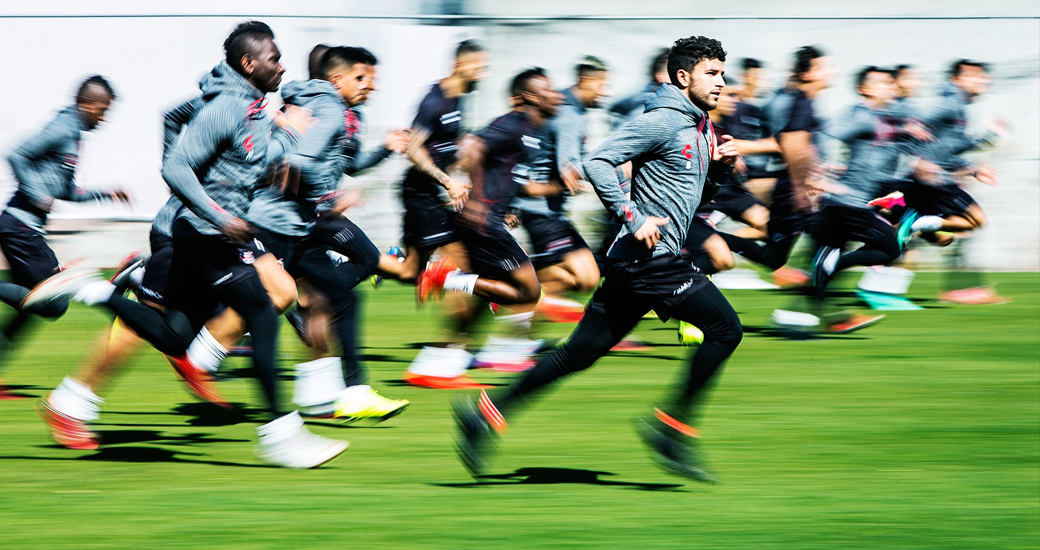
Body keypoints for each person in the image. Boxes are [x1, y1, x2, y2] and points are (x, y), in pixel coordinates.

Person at [29, 21, 347, 469]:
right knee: (253, 305)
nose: (283, 65)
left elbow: (246, 153)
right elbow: (178, 151)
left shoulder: (255, 104)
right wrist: (209, 205)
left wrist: (283, 141)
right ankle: (76, 400)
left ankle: (105, 298)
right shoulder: (224, 104)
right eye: (274, 58)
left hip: (221, 231)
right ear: (248, 63)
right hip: (194, 232)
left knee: (188, 326)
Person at [452, 36, 742, 483]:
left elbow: (696, 197)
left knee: (578, 354)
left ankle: (483, 416)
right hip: (652, 261)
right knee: (726, 329)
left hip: (637, 262)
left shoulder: (699, 127)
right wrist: (633, 214)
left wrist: (720, 169)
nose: (722, 82)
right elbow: (598, 161)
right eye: (713, 73)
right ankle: (671, 430)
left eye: (722, 73)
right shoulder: (663, 119)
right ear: (683, 77)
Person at [274, 45, 411, 421]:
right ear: (336, 77)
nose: (371, 87)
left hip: (310, 217)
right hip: (308, 217)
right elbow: (295, 159)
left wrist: (384, 150)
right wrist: (331, 197)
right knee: (253, 302)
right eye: (364, 78)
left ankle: (342, 392)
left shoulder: (343, 112)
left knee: (345, 294)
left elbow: (347, 163)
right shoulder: (331, 110)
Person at [414, 68, 561, 376]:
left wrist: (556, 186)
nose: (556, 95)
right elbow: (471, 147)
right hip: (483, 221)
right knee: (528, 293)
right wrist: (478, 199)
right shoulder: (512, 123)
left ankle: (436, 366)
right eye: (548, 90)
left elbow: (513, 179)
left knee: (486, 294)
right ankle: (447, 278)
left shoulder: (532, 131)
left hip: (491, 218)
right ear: (531, 96)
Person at [0, 75, 130, 395]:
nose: (104, 117)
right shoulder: (63, 127)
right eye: (102, 110)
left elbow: (66, 190)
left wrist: (105, 194)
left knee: (30, 309)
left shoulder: (73, 134)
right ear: (87, 104)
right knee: (54, 303)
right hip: (21, 228)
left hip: (19, 226)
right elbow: (16, 154)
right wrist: (36, 194)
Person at [898, 60, 1007, 304]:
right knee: (976, 221)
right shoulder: (951, 102)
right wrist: (919, 158)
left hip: (940, 179)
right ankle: (915, 224)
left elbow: (949, 147)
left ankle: (961, 288)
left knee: (948, 237)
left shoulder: (959, 106)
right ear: (955, 80)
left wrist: (974, 168)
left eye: (982, 77)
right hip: (935, 181)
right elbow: (911, 127)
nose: (981, 80)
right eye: (973, 76)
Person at [514, 56, 605, 325]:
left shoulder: (565, 109)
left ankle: (515, 291)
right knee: (586, 276)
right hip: (542, 211)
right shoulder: (569, 116)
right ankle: (506, 284)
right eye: (602, 84)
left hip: (548, 210)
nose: (605, 92)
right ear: (587, 81)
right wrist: (615, 171)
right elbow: (570, 167)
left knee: (574, 279)